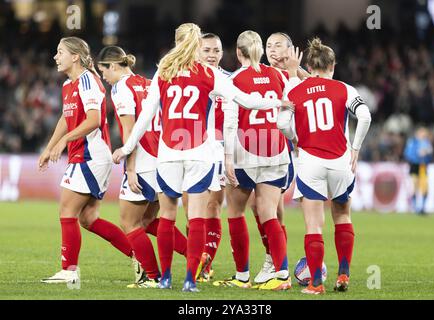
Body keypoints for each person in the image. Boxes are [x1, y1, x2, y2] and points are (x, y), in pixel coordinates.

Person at [112, 23, 293, 292]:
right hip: (199, 152)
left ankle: (164, 278)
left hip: (169, 153)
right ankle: (190, 279)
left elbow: (145, 117)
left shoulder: (164, 70)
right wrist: (277, 102)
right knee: (197, 215)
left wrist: (126, 149)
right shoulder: (209, 74)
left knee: (169, 215)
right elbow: (244, 99)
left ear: (176, 41)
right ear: (197, 45)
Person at [277, 37, 372, 294]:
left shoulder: (295, 89)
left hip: (310, 162)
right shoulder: (345, 89)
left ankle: (316, 283)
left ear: (309, 64)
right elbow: (365, 116)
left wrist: (295, 139)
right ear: (332, 66)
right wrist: (355, 147)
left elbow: (282, 124)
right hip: (341, 160)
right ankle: (343, 275)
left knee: (313, 225)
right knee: (342, 216)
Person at [39, 37, 135, 284]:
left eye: (60, 52)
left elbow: (93, 119)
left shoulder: (88, 81)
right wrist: (50, 146)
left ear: (75, 57)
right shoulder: (68, 85)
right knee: (88, 218)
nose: (55, 57)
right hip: (83, 154)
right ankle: (139, 256)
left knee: (67, 210)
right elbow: (65, 117)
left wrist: (64, 142)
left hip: (91, 154)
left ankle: (69, 271)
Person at [212, 30, 300, 291]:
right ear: (261, 51)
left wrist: (228, 157)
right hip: (276, 150)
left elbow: (230, 121)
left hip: (245, 152)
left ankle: (242, 277)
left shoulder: (235, 79)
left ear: (238, 53)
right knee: (269, 213)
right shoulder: (280, 76)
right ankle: (282, 274)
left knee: (236, 212)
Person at [96, 46, 187, 288]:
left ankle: (152, 276)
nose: (104, 77)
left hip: (144, 159)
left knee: (129, 222)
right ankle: (196, 257)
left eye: (103, 70)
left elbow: (129, 130)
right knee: (148, 219)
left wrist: (130, 168)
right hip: (164, 156)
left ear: (114, 66)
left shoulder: (121, 88)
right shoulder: (148, 82)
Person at [249, 31, 307, 285]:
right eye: (268, 45)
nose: (272, 50)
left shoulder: (293, 76)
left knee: (267, 209)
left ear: (291, 49)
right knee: (264, 209)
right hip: (259, 151)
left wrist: (296, 70)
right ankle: (275, 260)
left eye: (278, 45)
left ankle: (276, 264)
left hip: (281, 152)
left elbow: (320, 83)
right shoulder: (261, 72)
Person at [192, 33, 230, 282]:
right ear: (197, 52)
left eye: (216, 50)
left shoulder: (229, 80)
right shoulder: (187, 78)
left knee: (213, 206)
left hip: (220, 148)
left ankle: (206, 262)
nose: (212, 55)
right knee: (191, 210)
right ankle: (197, 258)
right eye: (206, 50)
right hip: (190, 146)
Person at [403, 126, 433, 214]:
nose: (424, 135)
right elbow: (408, 154)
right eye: (422, 133)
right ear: (418, 133)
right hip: (414, 166)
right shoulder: (412, 142)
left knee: (425, 187)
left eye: (425, 133)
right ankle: (415, 208)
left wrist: (427, 154)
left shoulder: (427, 143)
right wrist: (418, 154)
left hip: (423, 167)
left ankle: (422, 208)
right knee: (414, 187)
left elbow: (430, 156)